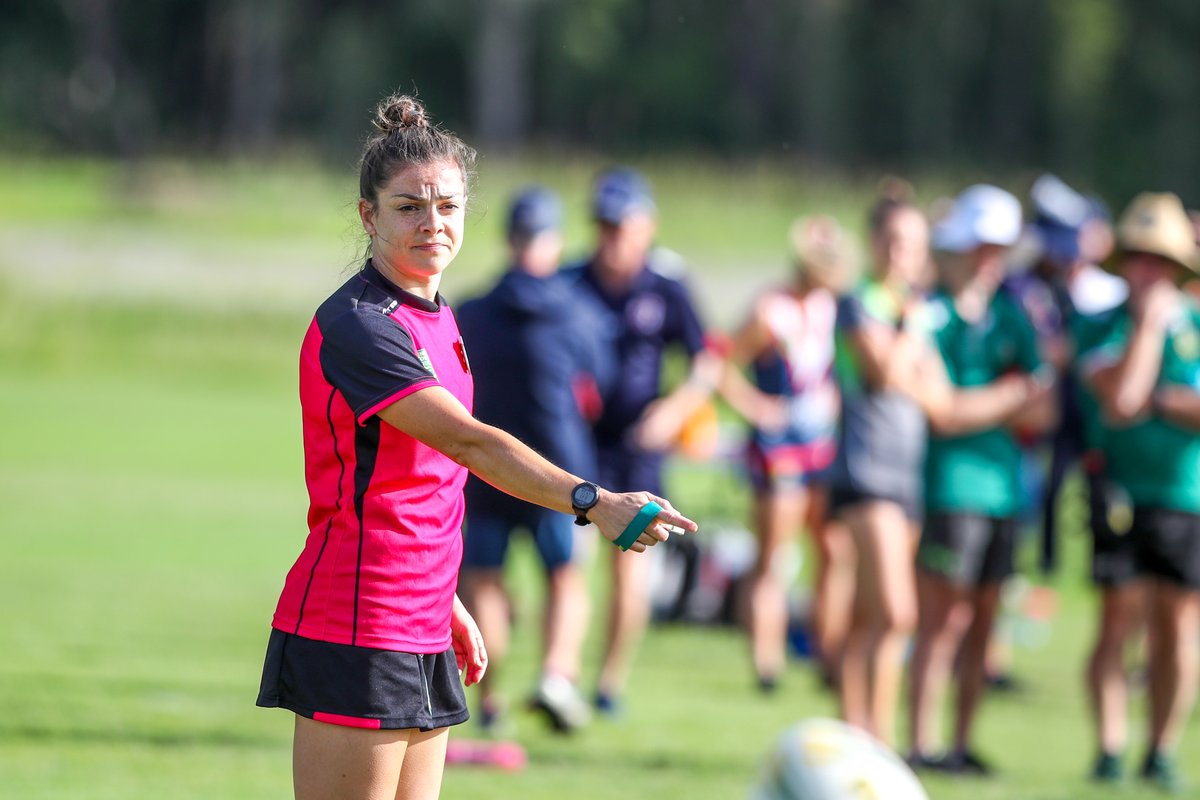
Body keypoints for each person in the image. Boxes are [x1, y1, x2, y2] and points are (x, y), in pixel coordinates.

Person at [255, 95, 696, 800]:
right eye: (408, 207)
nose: (433, 222)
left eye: (448, 206)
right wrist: (594, 501)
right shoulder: (361, 327)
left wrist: (446, 600)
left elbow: (422, 482)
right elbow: (467, 443)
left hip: (421, 614)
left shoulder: (434, 314)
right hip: (361, 619)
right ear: (369, 215)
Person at [903, 185, 1057, 774]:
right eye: (982, 246)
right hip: (949, 486)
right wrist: (1012, 394)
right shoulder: (931, 313)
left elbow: (1044, 410)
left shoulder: (1014, 316)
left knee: (986, 621)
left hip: (1003, 489)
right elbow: (943, 411)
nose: (991, 259)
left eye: (1000, 248)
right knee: (942, 623)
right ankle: (920, 743)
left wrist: (989, 401)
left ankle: (962, 743)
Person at [456, 186, 612, 734]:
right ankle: (556, 676)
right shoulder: (579, 314)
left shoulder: (470, 312)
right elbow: (597, 392)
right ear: (553, 242)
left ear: (508, 240)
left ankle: (489, 697)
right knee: (567, 577)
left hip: (486, 471)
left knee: (484, 583)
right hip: (558, 476)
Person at [564, 166, 720, 714]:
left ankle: (607, 684)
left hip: (638, 450)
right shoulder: (571, 282)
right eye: (603, 226)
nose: (610, 239)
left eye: (621, 226)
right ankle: (560, 677)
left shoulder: (667, 288)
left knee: (632, 570)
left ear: (646, 227)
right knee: (570, 562)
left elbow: (707, 362)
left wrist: (675, 412)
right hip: (578, 448)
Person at [1073, 192, 1200, 791]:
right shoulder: (1100, 325)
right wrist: (1148, 330)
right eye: (1139, 258)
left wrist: (1160, 401)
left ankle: (1162, 749)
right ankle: (1109, 747)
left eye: (1160, 260)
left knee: (1178, 628)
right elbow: (1120, 400)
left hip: (1185, 494)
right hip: (1119, 493)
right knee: (1116, 623)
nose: (1148, 271)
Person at [719, 215, 856, 693]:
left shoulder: (833, 309)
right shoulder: (769, 310)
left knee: (833, 549)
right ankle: (767, 662)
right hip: (779, 448)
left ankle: (827, 651)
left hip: (823, 443)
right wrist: (759, 409)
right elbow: (721, 364)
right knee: (775, 554)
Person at [829, 181, 931, 746]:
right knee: (897, 612)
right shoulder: (861, 301)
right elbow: (888, 374)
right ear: (874, 243)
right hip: (865, 473)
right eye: (893, 241)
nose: (902, 254)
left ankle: (862, 736)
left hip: (907, 473)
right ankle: (875, 737)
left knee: (873, 619)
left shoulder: (908, 308)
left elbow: (936, 395)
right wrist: (913, 327)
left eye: (913, 244)